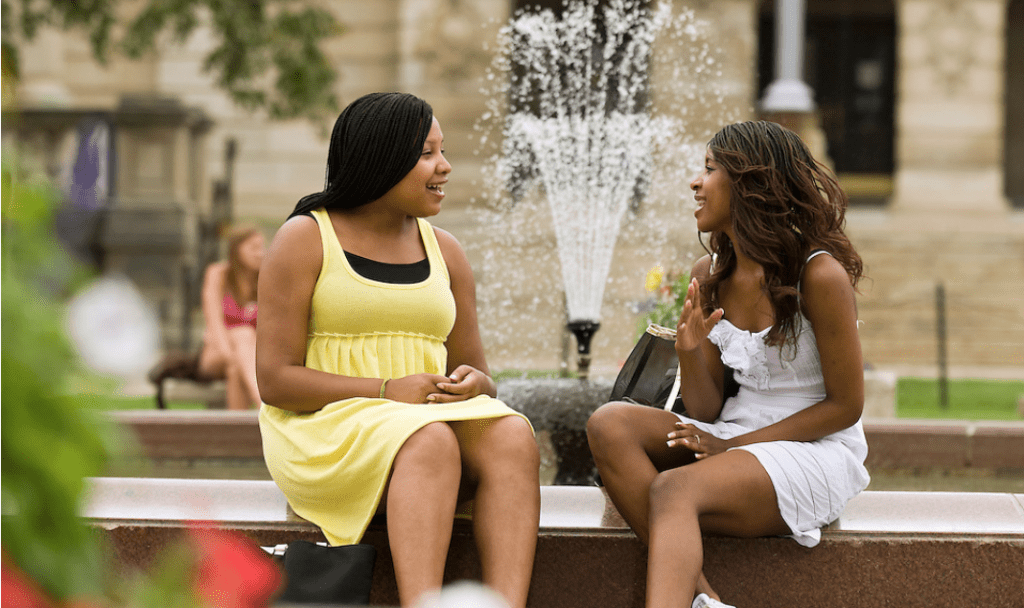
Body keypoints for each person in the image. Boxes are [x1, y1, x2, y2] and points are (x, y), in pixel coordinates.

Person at [255, 92, 540, 608]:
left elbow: (478, 372)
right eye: (427, 154)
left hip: (422, 422)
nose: (445, 167)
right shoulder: (305, 238)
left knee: (513, 434)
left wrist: (475, 384)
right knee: (429, 439)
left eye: (443, 151)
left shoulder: (446, 250)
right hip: (326, 427)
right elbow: (275, 381)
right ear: (381, 159)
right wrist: (388, 390)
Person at [586, 121, 870, 608]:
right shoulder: (710, 275)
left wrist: (730, 445)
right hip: (734, 434)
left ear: (750, 185)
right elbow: (708, 408)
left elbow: (845, 406)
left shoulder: (818, 274)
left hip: (814, 449)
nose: (696, 182)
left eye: (710, 169)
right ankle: (702, 598)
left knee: (672, 489)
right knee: (609, 423)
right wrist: (691, 352)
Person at [194, 224, 264, 410]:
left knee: (235, 371)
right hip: (216, 351)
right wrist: (232, 355)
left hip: (252, 356)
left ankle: (239, 432)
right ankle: (263, 403)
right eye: (253, 248)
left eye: (262, 247)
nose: (260, 253)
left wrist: (241, 360)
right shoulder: (218, 274)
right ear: (236, 249)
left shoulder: (265, 278)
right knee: (242, 334)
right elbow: (214, 322)